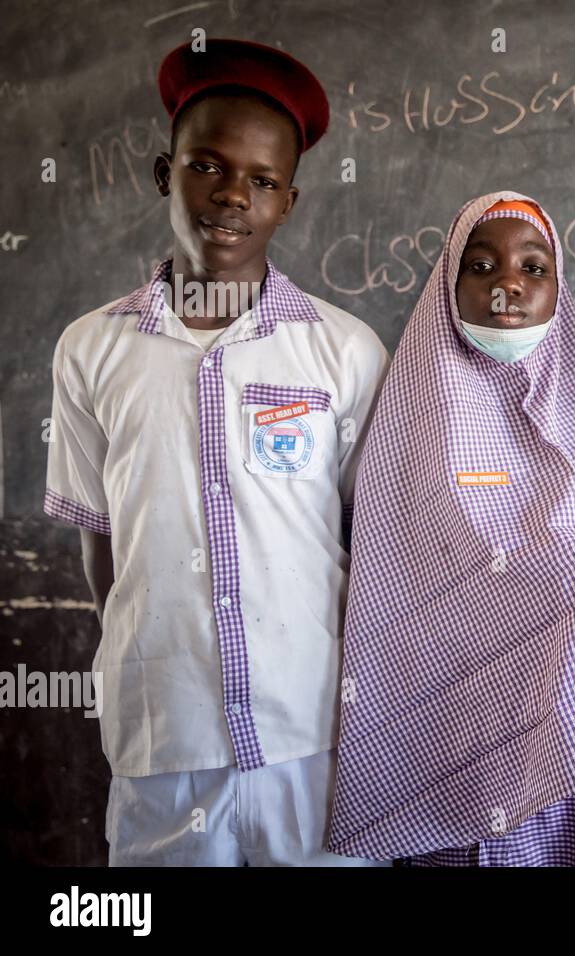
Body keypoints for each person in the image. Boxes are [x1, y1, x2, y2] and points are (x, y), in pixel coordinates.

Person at [43, 39, 390, 865]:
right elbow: (103, 546)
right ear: (167, 173)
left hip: (312, 733)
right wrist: (157, 655)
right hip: (167, 736)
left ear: (290, 202)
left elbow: (371, 536)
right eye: (208, 166)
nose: (233, 195)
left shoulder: (343, 353)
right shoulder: (91, 349)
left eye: (263, 181)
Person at [327, 192, 575, 867]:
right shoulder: (408, 428)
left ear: (559, 285)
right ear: (450, 286)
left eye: (533, 266)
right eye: (480, 266)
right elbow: (404, 594)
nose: (508, 283)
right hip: (462, 756)